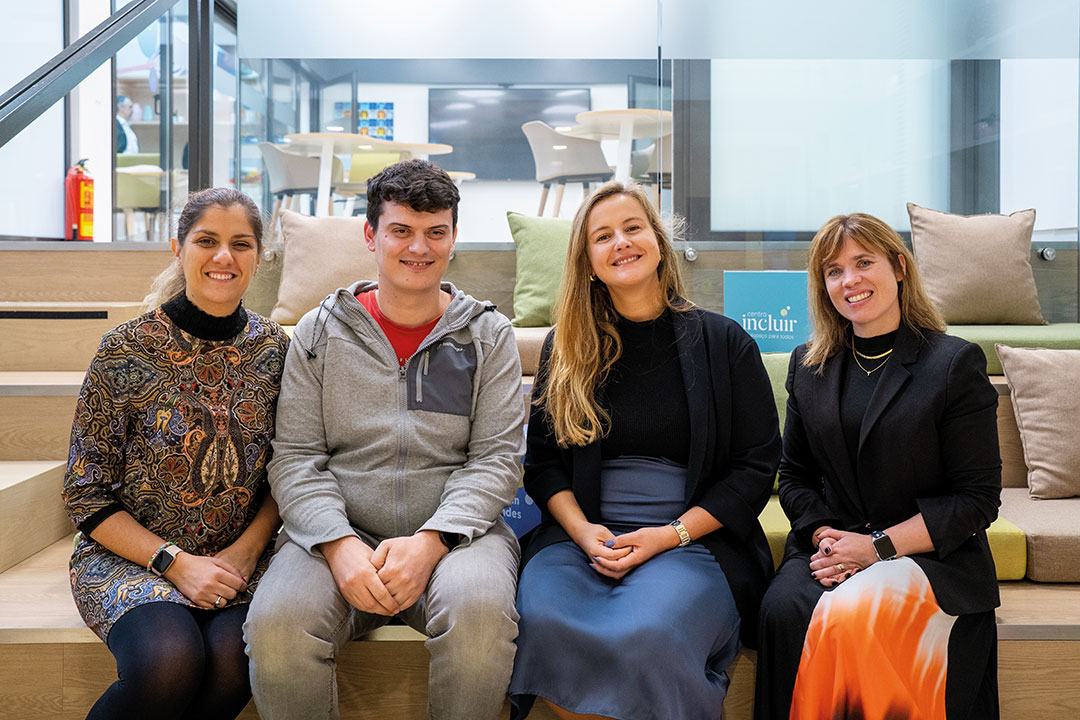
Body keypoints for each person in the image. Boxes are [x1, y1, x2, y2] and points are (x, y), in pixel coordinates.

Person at [244, 159, 524, 720]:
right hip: (336, 536)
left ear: (453, 238)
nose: (419, 247)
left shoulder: (487, 334)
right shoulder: (319, 332)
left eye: (435, 232)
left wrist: (431, 541)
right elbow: (296, 457)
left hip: (456, 539)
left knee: (478, 616)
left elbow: (497, 459)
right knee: (276, 628)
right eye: (401, 230)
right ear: (371, 235)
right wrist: (336, 543)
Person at [508, 181, 781, 720]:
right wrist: (584, 532)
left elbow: (755, 467)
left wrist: (668, 535)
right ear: (587, 262)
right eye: (602, 236)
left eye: (633, 228)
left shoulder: (726, 343)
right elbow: (542, 464)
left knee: (649, 632)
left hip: (692, 540)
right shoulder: (566, 348)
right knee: (541, 620)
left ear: (658, 241)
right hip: (585, 537)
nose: (621, 243)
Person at [755, 213, 1001, 720]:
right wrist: (830, 538)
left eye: (863, 262)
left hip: (930, 556)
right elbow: (794, 474)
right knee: (781, 611)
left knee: (854, 613)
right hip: (832, 545)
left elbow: (977, 499)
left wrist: (876, 548)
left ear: (900, 267)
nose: (850, 281)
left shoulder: (954, 363)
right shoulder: (808, 365)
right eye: (834, 271)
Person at [63, 187, 288, 720]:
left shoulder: (277, 350)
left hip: (240, 561)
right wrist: (174, 562)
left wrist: (247, 552)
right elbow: (84, 490)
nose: (223, 257)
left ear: (259, 257)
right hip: (130, 559)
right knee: (170, 660)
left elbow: (288, 470)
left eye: (241, 244)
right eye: (206, 241)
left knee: (240, 659)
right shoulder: (126, 348)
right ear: (177, 247)